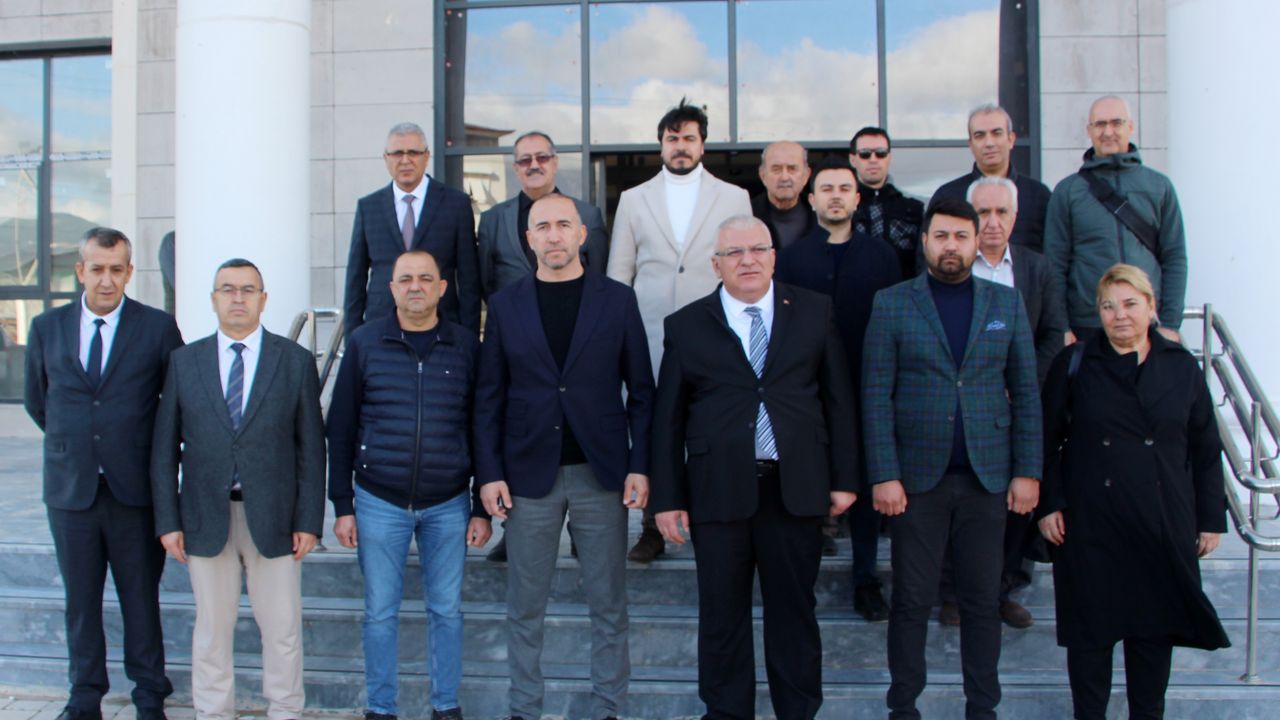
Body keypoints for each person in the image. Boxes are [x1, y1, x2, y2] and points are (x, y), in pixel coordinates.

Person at [650, 215, 858, 720]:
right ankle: (726, 713)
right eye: (734, 253)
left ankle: (798, 712)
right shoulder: (686, 325)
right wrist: (667, 498)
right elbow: (667, 419)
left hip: (794, 489)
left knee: (794, 614)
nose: (747, 260)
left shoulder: (814, 311)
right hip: (718, 492)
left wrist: (845, 478)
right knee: (722, 618)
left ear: (773, 257)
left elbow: (838, 398)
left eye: (757, 250)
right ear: (716, 264)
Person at [476, 194, 654, 720]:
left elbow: (642, 391)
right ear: (528, 239)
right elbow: (489, 397)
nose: (553, 235)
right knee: (525, 606)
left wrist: (640, 464)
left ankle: (608, 709)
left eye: (562, 225)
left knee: (609, 604)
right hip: (528, 475)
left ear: (581, 234)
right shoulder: (505, 305)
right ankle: (524, 710)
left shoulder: (617, 300)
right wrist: (489, 474)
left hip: (602, 473)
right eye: (542, 227)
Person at [862, 197, 1042, 719]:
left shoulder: (1005, 303)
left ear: (977, 241)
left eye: (961, 237)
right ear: (924, 242)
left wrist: (1028, 471)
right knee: (912, 600)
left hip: (988, 479)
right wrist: (884, 474)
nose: (951, 246)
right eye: (941, 236)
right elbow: (875, 395)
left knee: (983, 602)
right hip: (916, 482)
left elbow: (1026, 392)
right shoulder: (892, 303)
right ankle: (903, 709)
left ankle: (982, 709)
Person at [1038, 264, 1229, 720]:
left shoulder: (1180, 366)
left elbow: (1205, 447)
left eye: (1129, 304)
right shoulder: (1075, 362)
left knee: (1152, 641)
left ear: (1151, 307)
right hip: (1090, 523)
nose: (1119, 315)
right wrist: (1049, 504)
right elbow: (1045, 440)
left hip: (1161, 522)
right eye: (1108, 306)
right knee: (1090, 643)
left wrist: (1210, 519)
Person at [150, 258, 326, 720]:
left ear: (263, 299)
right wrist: (168, 521)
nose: (238, 298)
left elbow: (311, 449)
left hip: (276, 519)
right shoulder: (184, 362)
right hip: (205, 517)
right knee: (211, 631)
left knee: (282, 630)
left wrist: (309, 520)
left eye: (248, 290)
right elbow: (164, 449)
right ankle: (213, 713)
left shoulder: (294, 362)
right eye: (227, 289)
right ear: (214, 299)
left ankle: (285, 711)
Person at [23, 228, 182, 720]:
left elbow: (174, 406)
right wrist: (81, 445)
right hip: (71, 491)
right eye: (97, 269)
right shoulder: (47, 328)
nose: (107, 280)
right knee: (80, 602)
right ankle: (84, 697)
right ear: (81, 271)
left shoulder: (157, 328)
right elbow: (38, 400)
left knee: (141, 600)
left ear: (130, 272)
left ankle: (149, 697)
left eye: (116, 269)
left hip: (135, 492)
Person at [327, 250, 492, 720]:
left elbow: (481, 426)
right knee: (380, 612)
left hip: (449, 502)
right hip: (379, 500)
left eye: (425, 278)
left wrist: (480, 507)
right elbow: (340, 426)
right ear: (392, 288)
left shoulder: (465, 346)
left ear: (442, 288)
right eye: (405, 279)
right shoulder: (364, 343)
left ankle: (446, 706)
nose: (415, 286)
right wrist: (342, 504)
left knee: (447, 610)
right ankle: (381, 708)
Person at [607, 98, 751, 563]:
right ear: (661, 145)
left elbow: (742, 266)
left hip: (715, 333)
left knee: (712, 424)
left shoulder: (734, 197)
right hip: (650, 334)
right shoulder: (634, 199)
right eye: (673, 138)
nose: (681, 146)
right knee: (655, 427)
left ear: (702, 145)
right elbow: (619, 274)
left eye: (689, 138)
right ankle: (651, 527)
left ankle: (712, 522)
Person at [935, 176, 1067, 630]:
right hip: (958, 409)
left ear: (1016, 217)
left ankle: (1004, 590)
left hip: (1017, 408)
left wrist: (1022, 380)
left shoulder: (1037, 268)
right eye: (983, 213)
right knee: (957, 499)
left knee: (1017, 502)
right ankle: (953, 592)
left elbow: (1053, 333)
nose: (992, 222)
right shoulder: (949, 263)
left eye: (1001, 212)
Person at [775, 156, 901, 621]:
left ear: (857, 198)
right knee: (809, 484)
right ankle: (802, 584)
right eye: (826, 189)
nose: (835, 196)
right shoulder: (791, 259)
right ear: (811, 199)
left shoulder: (882, 257)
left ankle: (866, 579)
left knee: (864, 484)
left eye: (844, 189)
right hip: (809, 388)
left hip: (870, 383)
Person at [1043, 95, 1187, 343]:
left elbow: (1174, 257)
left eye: (1116, 123)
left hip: (1146, 325)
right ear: (1089, 130)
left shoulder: (1159, 186)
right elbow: (1054, 264)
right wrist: (1062, 327)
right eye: (1100, 124)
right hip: (1088, 327)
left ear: (1130, 127)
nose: (1108, 131)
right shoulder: (1068, 191)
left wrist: (1171, 324)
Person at [344, 121, 481, 337]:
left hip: (441, 326)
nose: (405, 160)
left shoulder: (456, 204)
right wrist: (352, 336)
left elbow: (469, 279)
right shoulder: (368, 207)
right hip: (380, 326)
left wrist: (469, 337)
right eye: (397, 153)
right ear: (386, 158)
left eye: (413, 153)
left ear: (426, 156)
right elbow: (356, 278)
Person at [476, 131, 609, 298]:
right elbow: (485, 283)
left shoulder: (588, 216)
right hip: (511, 313)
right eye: (525, 160)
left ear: (555, 163)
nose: (534, 165)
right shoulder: (492, 220)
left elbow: (598, 280)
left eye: (542, 158)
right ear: (516, 168)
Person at [929, 104, 1052, 253]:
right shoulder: (947, 197)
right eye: (980, 135)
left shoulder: (1039, 195)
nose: (989, 143)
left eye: (996, 133)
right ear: (970, 144)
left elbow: (1054, 255)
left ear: (1011, 139)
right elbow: (929, 255)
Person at [849, 126, 924, 279]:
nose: (873, 159)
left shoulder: (913, 209)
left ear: (889, 157)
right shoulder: (842, 208)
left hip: (902, 291)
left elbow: (922, 260)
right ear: (853, 159)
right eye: (865, 154)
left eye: (881, 153)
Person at [751, 140, 814, 251]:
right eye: (776, 169)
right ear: (763, 175)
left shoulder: (820, 217)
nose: (784, 177)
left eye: (792, 169)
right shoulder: (748, 213)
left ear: (806, 176)